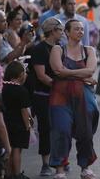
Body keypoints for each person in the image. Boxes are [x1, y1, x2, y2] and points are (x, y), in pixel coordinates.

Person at [49, 19, 99, 179]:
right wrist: (80, 75)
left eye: (82, 29)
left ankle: (85, 167)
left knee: (86, 132)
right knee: (61, 130)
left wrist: (68, 73)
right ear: (67, 32)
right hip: (61, 97)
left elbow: (90, 70)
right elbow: (57, 70)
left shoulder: (89, 50)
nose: (80, 32)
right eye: (76, 29)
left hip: (83, 97)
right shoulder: (58, 49)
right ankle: (60, 168)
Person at [29, 17, 64, 176]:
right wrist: (60, 87)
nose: (62, 33)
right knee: (46, 129)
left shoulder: (60, 48)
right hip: (43, 95)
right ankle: (45, 163)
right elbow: (41, 75)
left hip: (59, 94)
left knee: (62, 128)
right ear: (52, 31)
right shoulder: (39, 49)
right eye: (60, 30)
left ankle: (60, 161)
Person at [2, 61, 33, 179]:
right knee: (16, 149)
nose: (26, 75)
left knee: (8, 148)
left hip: (6, 123)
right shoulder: (21, 91)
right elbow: (24, 110)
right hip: (19, 124)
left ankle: (8, 174)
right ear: (20, 75)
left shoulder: (3, 88)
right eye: (25, 73)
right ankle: (17, 174)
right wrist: (27, 125)